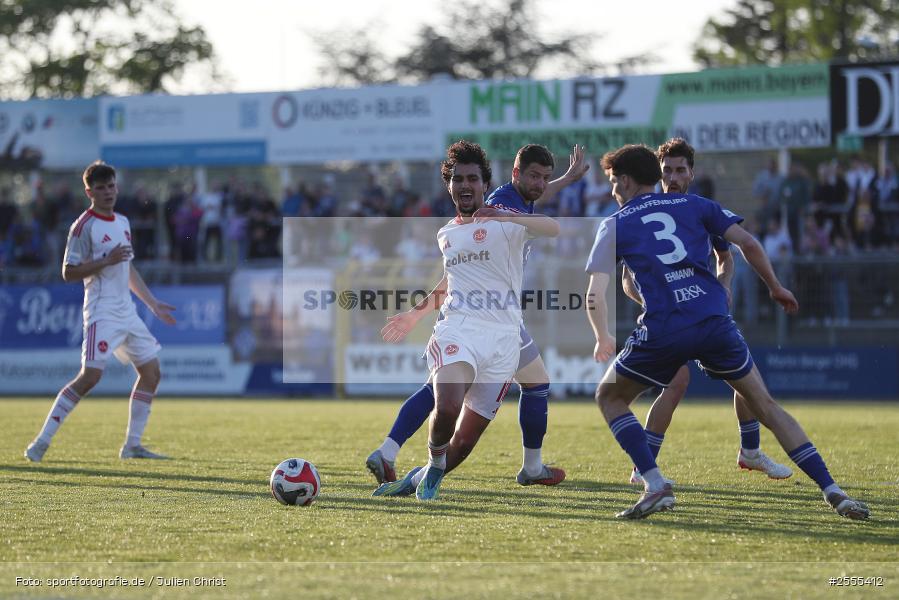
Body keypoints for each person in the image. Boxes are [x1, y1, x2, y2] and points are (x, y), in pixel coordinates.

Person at [585, 144, 869, 520]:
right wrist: (775, 287)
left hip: (666, 327)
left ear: (623, 180)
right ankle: (834, 492)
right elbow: (748, 243)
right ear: (657, 175)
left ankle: (653, 482)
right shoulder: (698, 206)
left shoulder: (615, 222)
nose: (611, 191)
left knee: (609, 396)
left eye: (611, 182)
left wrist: (602, 334)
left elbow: (594, 293)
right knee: (765, 404)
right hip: (713, 320)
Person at [366, 144, 589, 487]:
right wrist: (417, 313)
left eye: (545, 178)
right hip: (481, 321)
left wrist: (565, 179)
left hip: (501, 321)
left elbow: (535, 200)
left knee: (525, 385)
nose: (541, 184)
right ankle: (522, 467)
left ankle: (391, 451)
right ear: (514, 175)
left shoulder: (515, 200)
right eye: (534, 176)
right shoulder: (498, 205)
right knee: (454, 395)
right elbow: (540, 220)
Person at [623, 138, 792, 486]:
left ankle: (749, 451)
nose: (672, 176)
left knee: (743, 377)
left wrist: (724, 285)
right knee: (677, 382)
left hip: (704, 312)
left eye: (679, 170)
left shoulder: (698, 210)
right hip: (668, 321)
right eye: (666, 170)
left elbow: (726, 257)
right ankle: (643, 466)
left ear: (691, 174)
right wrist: (656, 303)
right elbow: (627, 280)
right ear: (657, 174)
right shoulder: (642, 213)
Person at [24, 161, 176, 463]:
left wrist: (152, 303)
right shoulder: (83, 227)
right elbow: (68, 272)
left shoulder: (122, 221)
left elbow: (127, 265)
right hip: (101, 312)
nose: (108, 192)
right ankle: (41, 441)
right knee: (90, 376)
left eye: (112, 186)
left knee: (152, 372)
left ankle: (132, 446)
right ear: (89, 191)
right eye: (101, 188)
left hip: (127, 312)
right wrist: (105, 261)